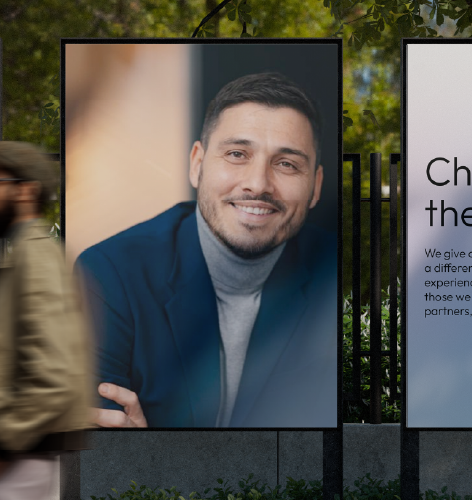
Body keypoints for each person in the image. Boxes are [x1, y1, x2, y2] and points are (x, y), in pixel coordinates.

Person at [75, 72, 338, 428]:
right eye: (236, 154)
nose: (258, 184)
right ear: (197, 164)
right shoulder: (108, 275)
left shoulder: (333, 271)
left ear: (316, 186)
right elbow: (101, 447)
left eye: (287, 164)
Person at [0, 142, 92, 499]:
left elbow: (55, 373)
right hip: (17, 455)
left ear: (26, 191)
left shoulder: (36, 257)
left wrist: (0, 445)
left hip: (19, 458)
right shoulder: (24, 255)